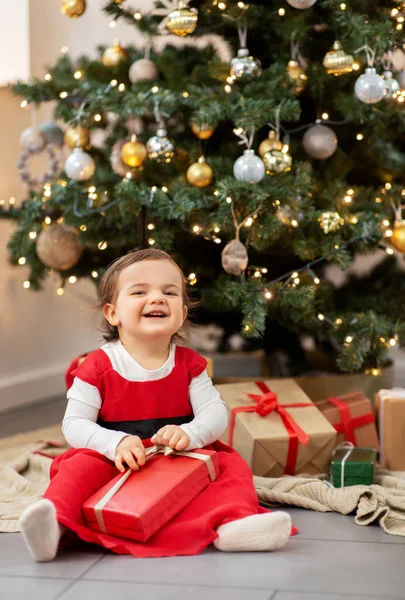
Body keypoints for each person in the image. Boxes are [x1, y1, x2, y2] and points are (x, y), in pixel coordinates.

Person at [19, 248, 292, 561]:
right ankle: (55, 523)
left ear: (183, 313)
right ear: (112, 313)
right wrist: (115, 443)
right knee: (77, 469)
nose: (158, 298)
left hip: (177, 453)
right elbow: (74, 424)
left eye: (170, 292)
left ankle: (233, 523)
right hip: (116, 457)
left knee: (230, 467)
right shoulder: (97, 366)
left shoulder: (190, 364)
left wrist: (192, 433)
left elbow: (215, 412)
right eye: (139, 291)